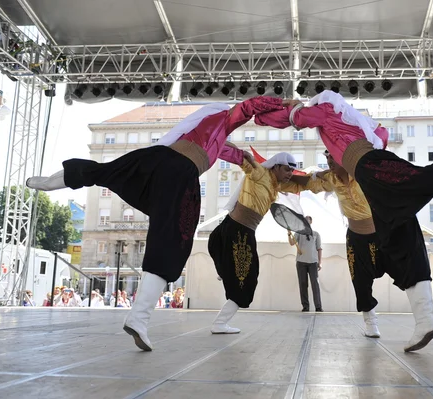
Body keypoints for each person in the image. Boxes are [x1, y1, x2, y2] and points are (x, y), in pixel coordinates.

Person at [255, 90, 433, 352]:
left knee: (426, 184)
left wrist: (267, 110)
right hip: (377, 222)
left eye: (329, 152)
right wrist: (271, 177)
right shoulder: (332, 173)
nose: (328, 154)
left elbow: (299, 119)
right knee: (392, 263)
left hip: (376, 185)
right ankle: (422, 322)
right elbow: (303, 182)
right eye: (326, 153)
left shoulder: (331, 115)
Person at [26, 96, 295, 351]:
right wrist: (285, 105)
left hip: (156, 161)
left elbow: (235, 155)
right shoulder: (222, 118)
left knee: (104, 171)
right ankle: (138, 318)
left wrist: (246, 157)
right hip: (180, 174)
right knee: (173, 244)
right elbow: (248, 107)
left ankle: (50, 182)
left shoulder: (209, 137)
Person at [208, 148, 306, 334]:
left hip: (239, 230)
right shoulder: (259, 172)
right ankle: (220, 323)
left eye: (292, 171)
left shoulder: (277, 184)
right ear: (275, 166)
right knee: (247, 278)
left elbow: (305, 184)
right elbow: (242, 159)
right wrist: (216, 139)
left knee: (242, 273)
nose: (289, 174)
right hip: (238, 230)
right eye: (286, 169)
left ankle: (224, 272)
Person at [298, 150, 386, 337]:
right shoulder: (330, 179)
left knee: (403, 268)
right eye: (327, 157)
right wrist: (286, 178)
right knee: (361, 282)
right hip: (355, 237)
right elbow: (307, 183)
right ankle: (371, 324)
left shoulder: (364, 173)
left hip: (382, 232)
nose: (329, 160)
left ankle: (425, 320)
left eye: (333, 156)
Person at [287, 216, 323, 313]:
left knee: (315, 284)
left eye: (308, 220)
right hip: (301, 262)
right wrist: (289, 234)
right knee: (303, 284)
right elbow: (292, 243)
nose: (306, 221)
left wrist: (320, 263)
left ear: (311, 222)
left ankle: (318, 306)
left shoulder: (316, 234)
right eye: (305, 220)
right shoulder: (298, 233)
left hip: (313, 263)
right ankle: (305, 306)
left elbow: (319, 249)